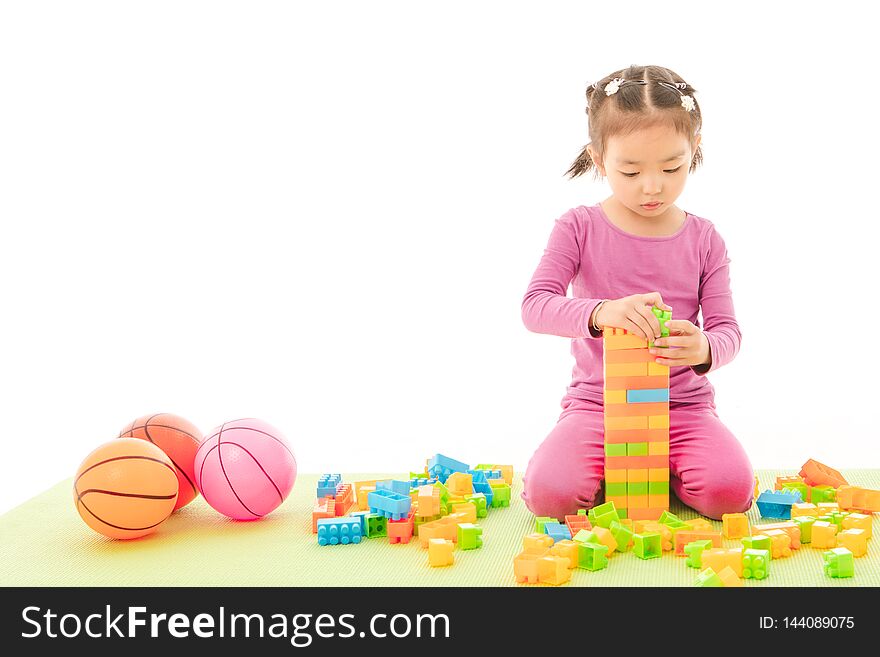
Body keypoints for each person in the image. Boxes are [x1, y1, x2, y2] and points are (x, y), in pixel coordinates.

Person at [520, 64, 753, 521]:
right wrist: (602, 311)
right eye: (629, 171)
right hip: (598, 405)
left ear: (695, 150)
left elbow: (728, 332)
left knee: (730, 495)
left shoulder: (704, 238)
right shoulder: (578, 227)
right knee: (552, 498)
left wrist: (703, 346)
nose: (652, 186)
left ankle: (659, 468)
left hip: (682, 407)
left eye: (672, 167)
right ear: (599, 157)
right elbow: (535, 307)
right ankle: (619, 465)